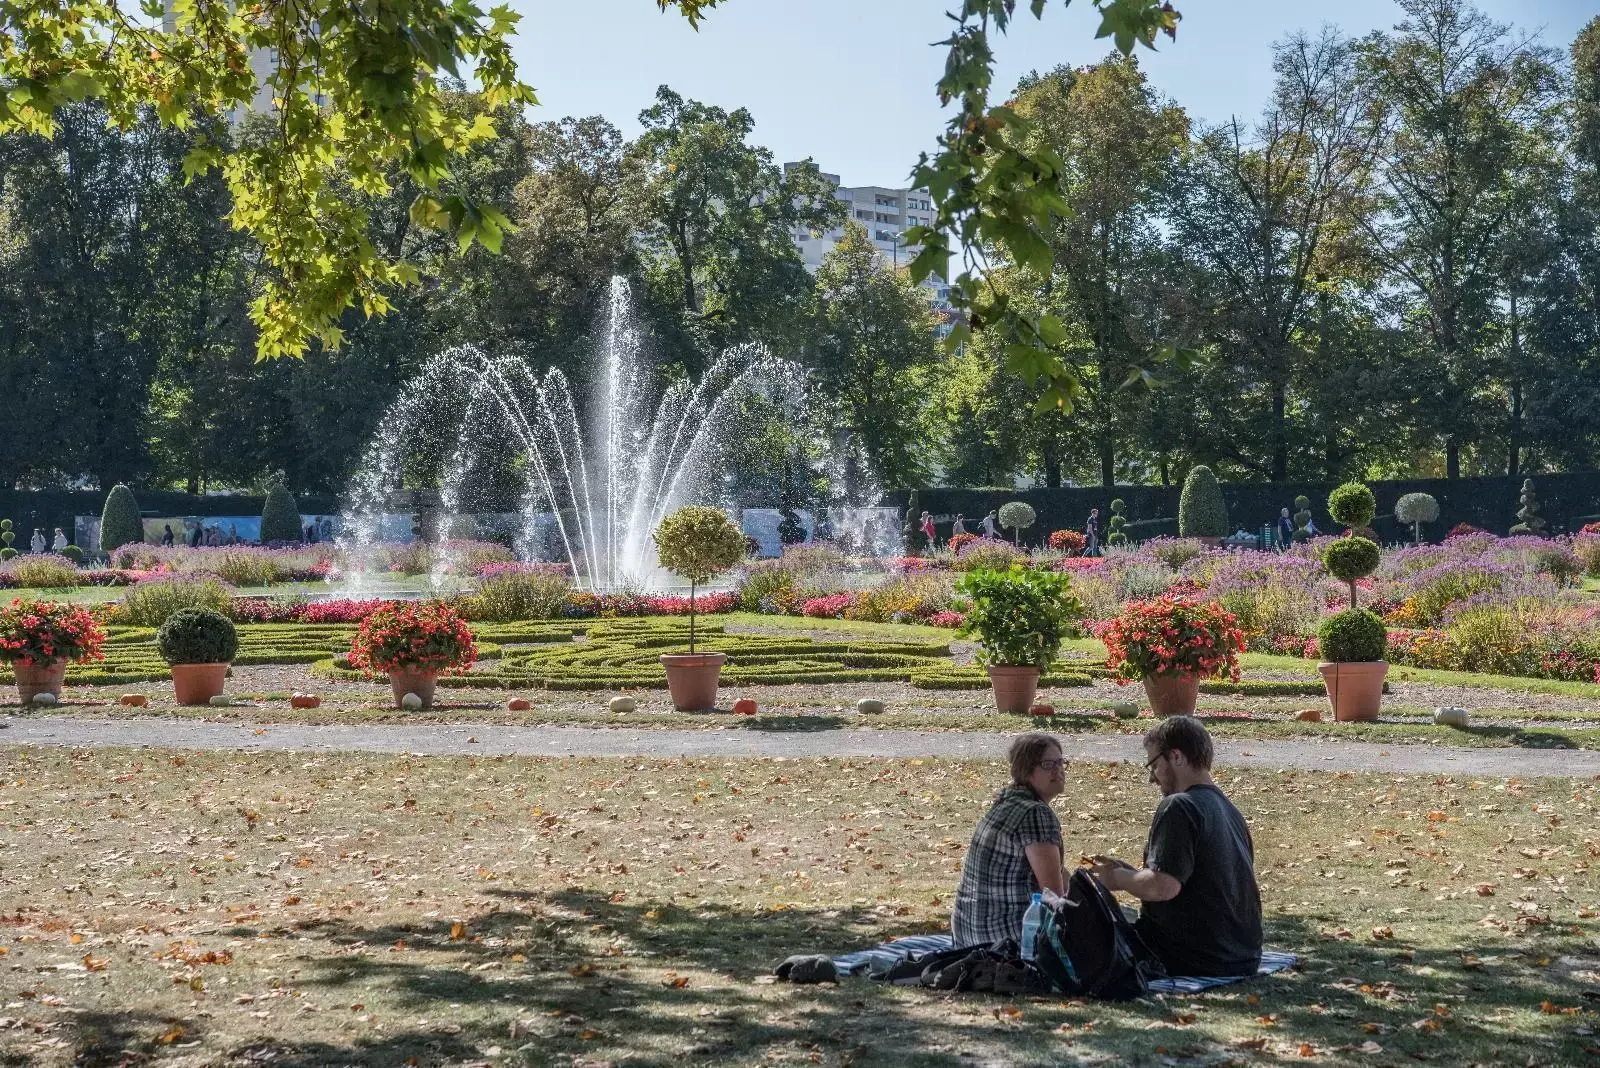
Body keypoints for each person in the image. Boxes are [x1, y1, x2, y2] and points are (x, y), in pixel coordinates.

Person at [1091, 717, 1262, 978]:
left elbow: (1163, 887)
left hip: (1190, 958)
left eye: (1155, 765)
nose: (1153, 778)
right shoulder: (1229, 810)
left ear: (1177, 757)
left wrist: (1116, 878)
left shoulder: (1180, 806)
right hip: (1241, 957)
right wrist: (1133, 874)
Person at [951, 733, 1069, 946]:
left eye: (1061, 762)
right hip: (1005, 943)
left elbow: (1057, 872)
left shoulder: (1008, 801)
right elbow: (1053, 895)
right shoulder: (1035, 814)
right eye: (1047, 764)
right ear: (1026, 770)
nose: (1058, 770)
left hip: (968, 937)